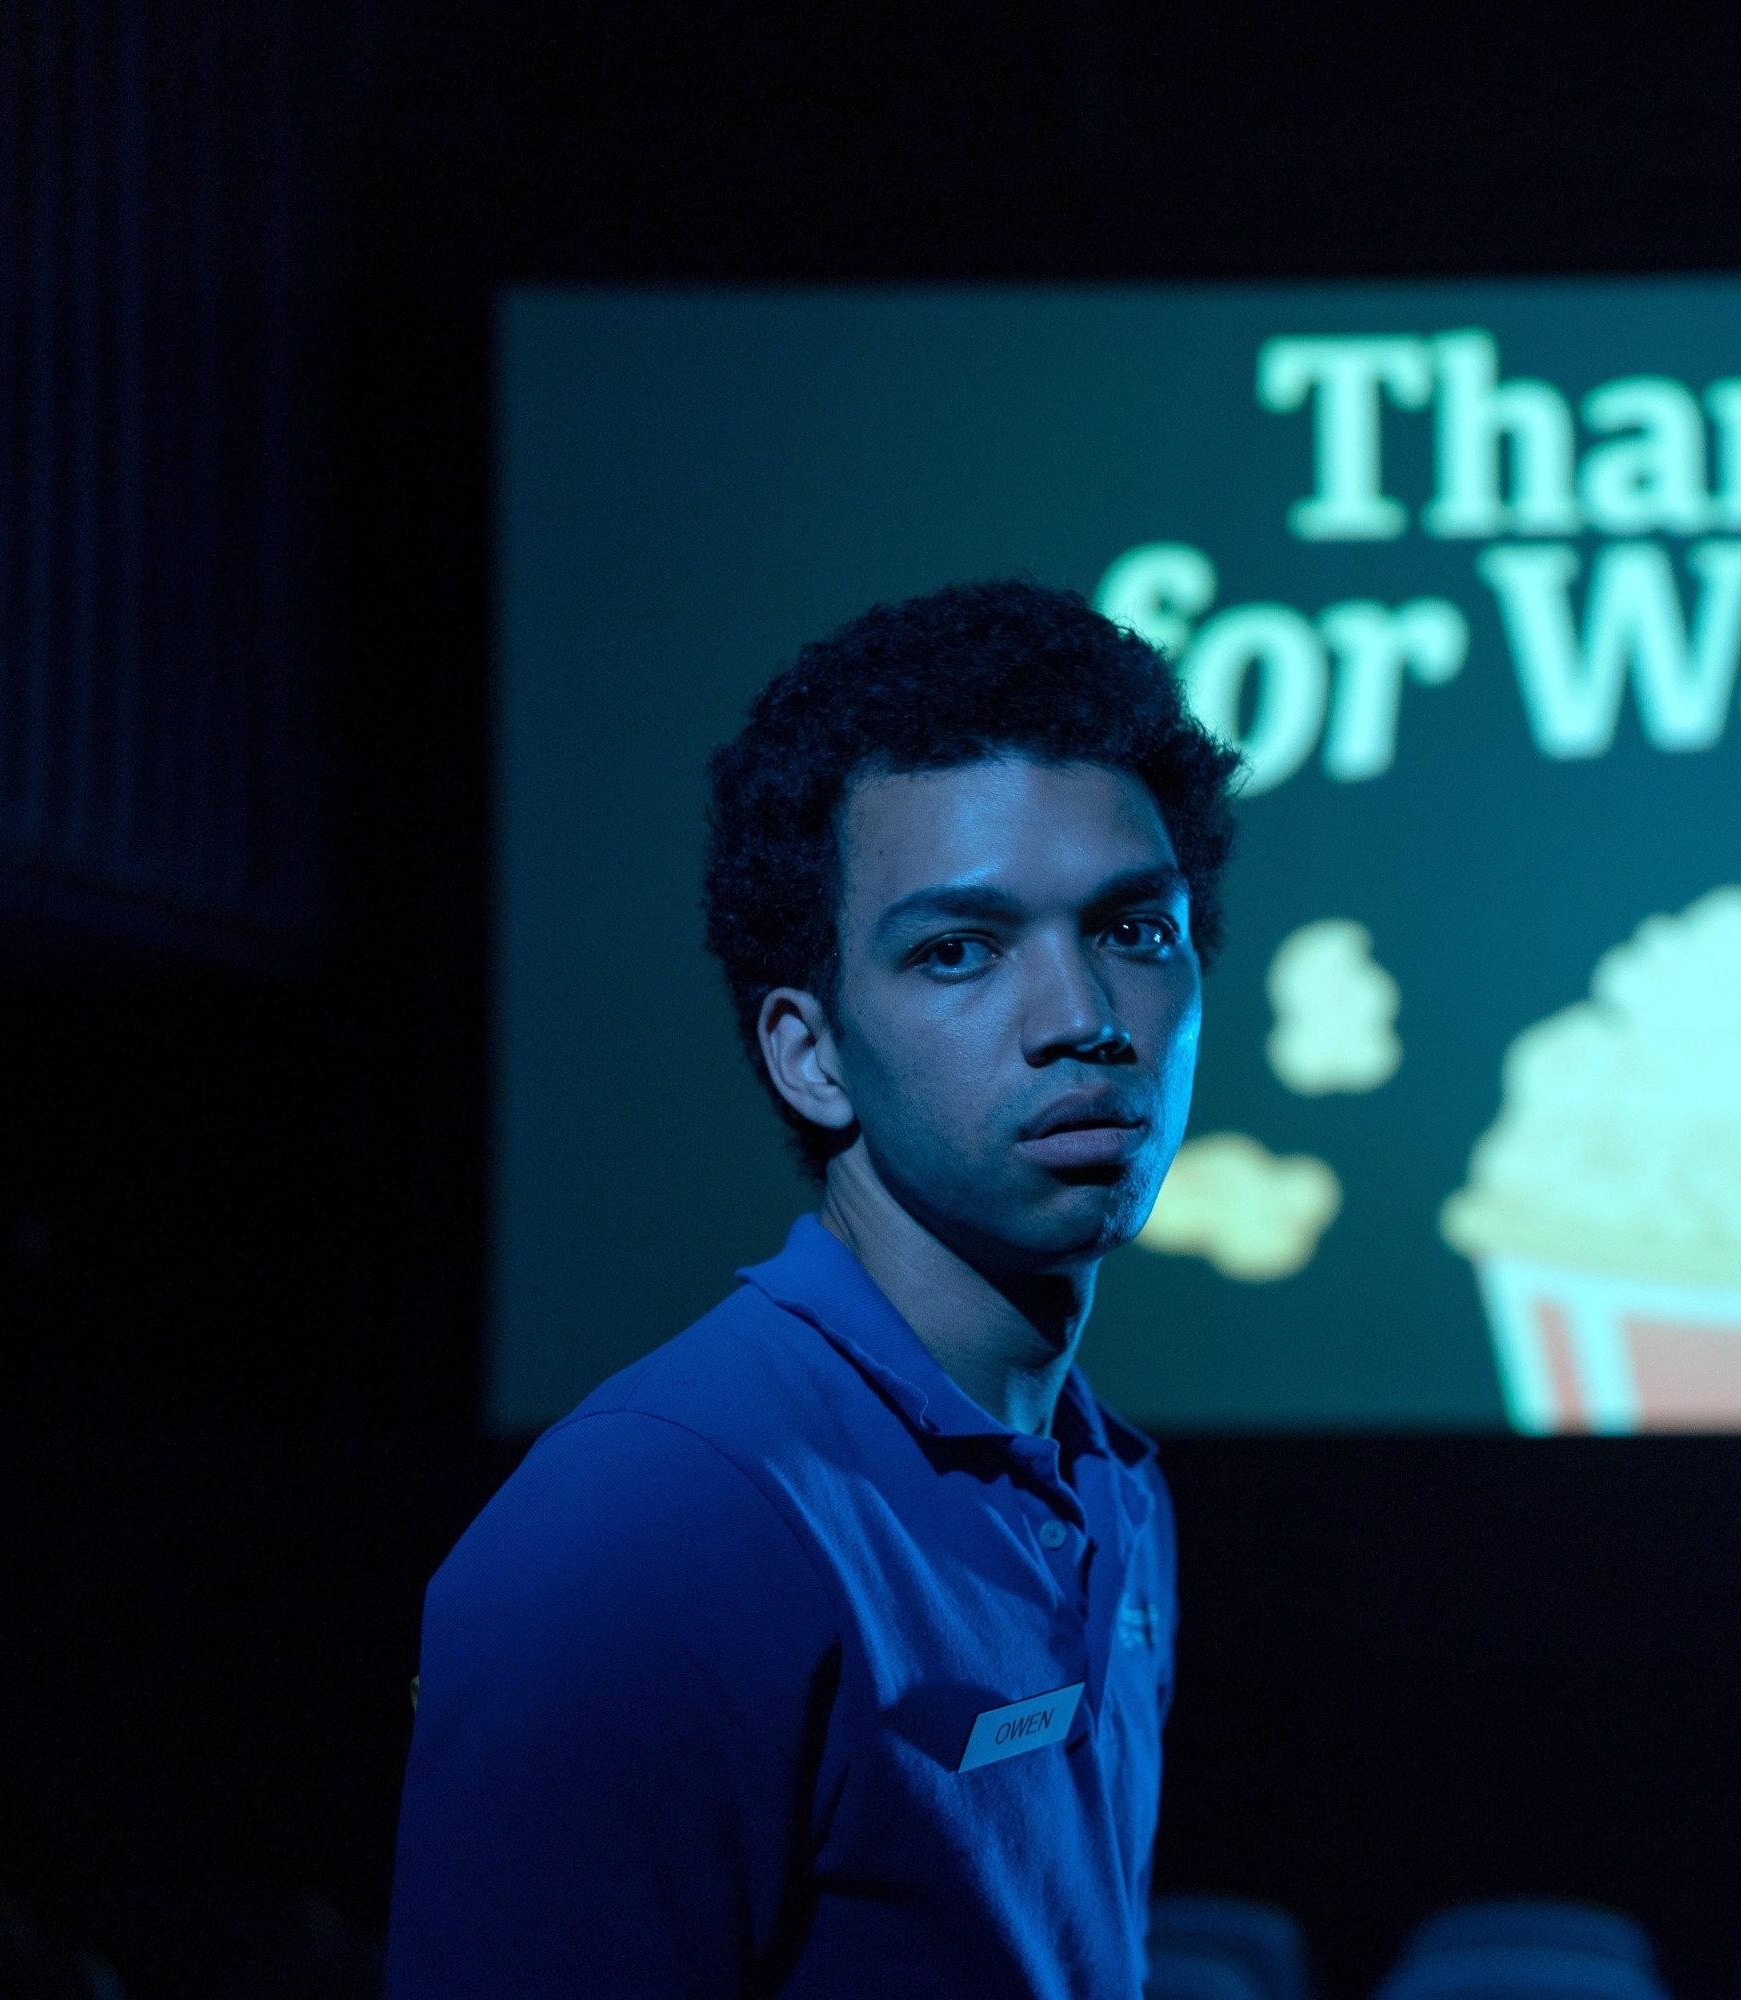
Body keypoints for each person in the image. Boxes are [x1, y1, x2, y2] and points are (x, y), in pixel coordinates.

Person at [387, 580, 1240, 1998]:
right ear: (810, 1055)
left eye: (1134, 931)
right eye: (958, 949)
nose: (1085, 1018)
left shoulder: (1105, 1486)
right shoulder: (654, 1524)